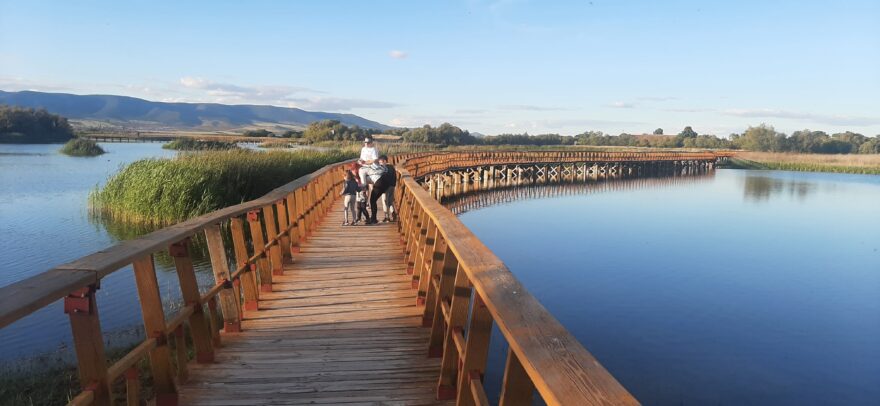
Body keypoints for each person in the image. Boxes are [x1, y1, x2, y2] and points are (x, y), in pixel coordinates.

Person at [367, 155, 395, 225]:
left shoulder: (385, 168)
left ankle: (387, 217)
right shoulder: (392, 167)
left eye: (381, 162)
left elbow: (382, 176)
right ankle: (393, 213)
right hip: (392, 185)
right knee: (389, 201)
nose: (380, 164)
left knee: (385, 201)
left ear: (385, 161)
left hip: (386, 186)